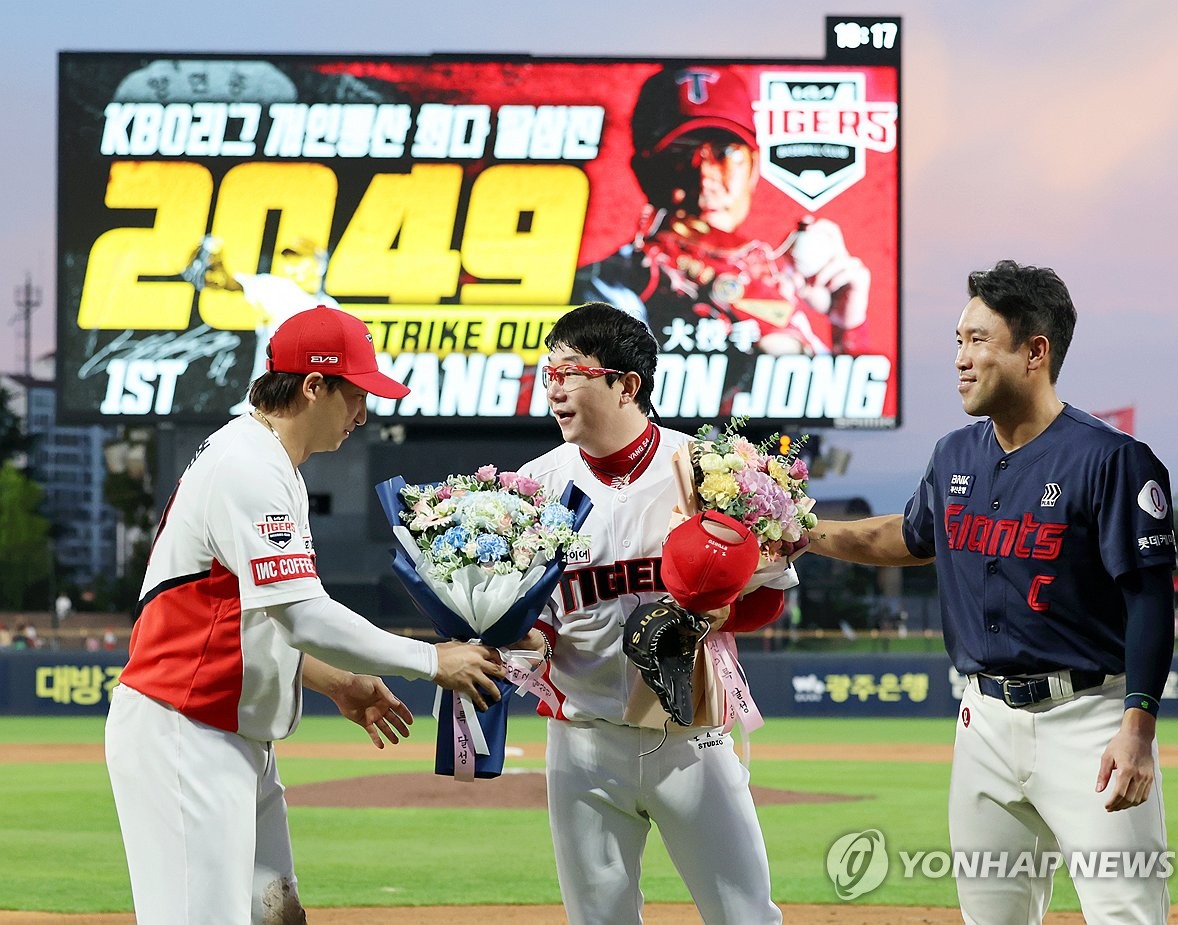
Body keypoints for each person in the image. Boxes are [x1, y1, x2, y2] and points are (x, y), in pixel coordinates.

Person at [104, 304, 506, 925]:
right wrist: (429, 660)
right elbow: (302, 615)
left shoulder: (268, 461)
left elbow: (255, 615)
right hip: (184, 728)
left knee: (277, 916)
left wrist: (337, 681)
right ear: (314, 386)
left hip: (229, 730)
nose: (363, 414)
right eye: (355, 395)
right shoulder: (248, 465)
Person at [806, 260, 1175, 923]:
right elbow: (907, 537)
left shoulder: (1111, 459)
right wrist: (804, 531)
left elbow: (1149, 599)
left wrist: (1138, 730)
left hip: (1089, 718)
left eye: (978, 339)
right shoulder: (953, 455)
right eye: (958, 340)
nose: (961, 359)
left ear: (1036, 351)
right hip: (982, 722)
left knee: (1127, 913)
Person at [515, 301, 790, 924]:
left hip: (690, 737)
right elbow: (531, 617)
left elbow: (769, 595)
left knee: (745, 915)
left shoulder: (709, 470)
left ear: (624, 384)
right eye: (547, 372)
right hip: (579, 740)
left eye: (569, 372)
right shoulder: (531, 485)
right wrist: (517, 640)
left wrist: (717, 617)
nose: (552, 388)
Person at [573, 65, 871, 368]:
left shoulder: (769, 277)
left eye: (725, 152)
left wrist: (847, 326)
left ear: (753, 169)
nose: (705, 180)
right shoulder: (610, 283)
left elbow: (841, 406)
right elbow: (627, 403)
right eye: (680, 156)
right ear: (645, 174)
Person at [182, 235, 336, 414]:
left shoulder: (333, 309)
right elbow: (226, 281)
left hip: (306, 407)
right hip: (265, 404)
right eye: (288, 259)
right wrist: (215, 261)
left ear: (320, 265)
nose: (290, 265)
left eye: (299, 259)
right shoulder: (277, 288)